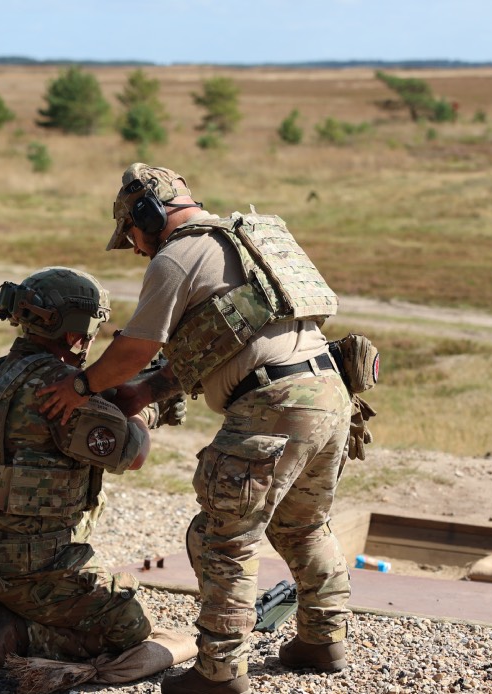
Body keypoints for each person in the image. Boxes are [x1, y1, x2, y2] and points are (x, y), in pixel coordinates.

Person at [39, 165, 353, 694]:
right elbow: (224, 342)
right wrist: (146, 392)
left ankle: (219, 675)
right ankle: (323, 641)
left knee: (220, 539)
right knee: (304, 526)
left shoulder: (176, 255)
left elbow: (137, 348)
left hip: (273, 404)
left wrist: (81, 387)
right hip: (329, 392)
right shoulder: (243, 240)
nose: (136, 248)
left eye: (132, 235)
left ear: (148, 214)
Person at [0, 266, 176, 693]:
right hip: (32, 567)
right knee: (130, 629)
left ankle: (11, 613)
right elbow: (132, 454)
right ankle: (19, 635)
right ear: (75, 333)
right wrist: (142, 409)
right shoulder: (61, 389)